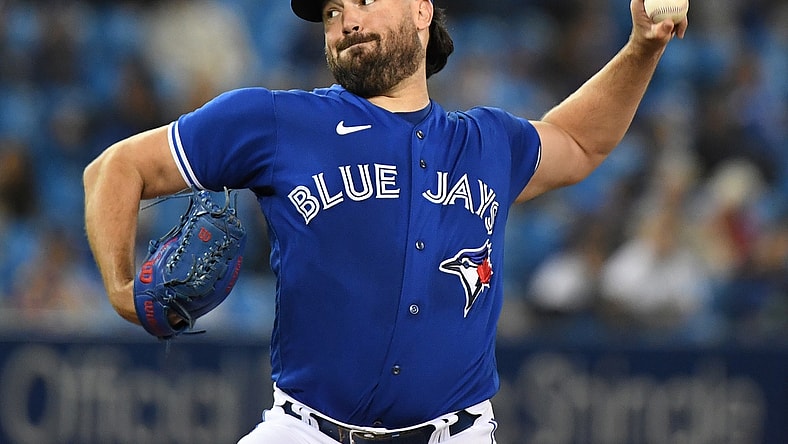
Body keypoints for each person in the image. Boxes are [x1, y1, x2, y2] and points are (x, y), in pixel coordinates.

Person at [83, 0, 687, 442]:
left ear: (423, 10)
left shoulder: (485, 142)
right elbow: (113, 170)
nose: (346, 20)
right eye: (331, 12)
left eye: (365, 1)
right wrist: (118, 288)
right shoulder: (273, 121)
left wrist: (643, 47)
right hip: (305, 433)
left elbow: (580, 144)